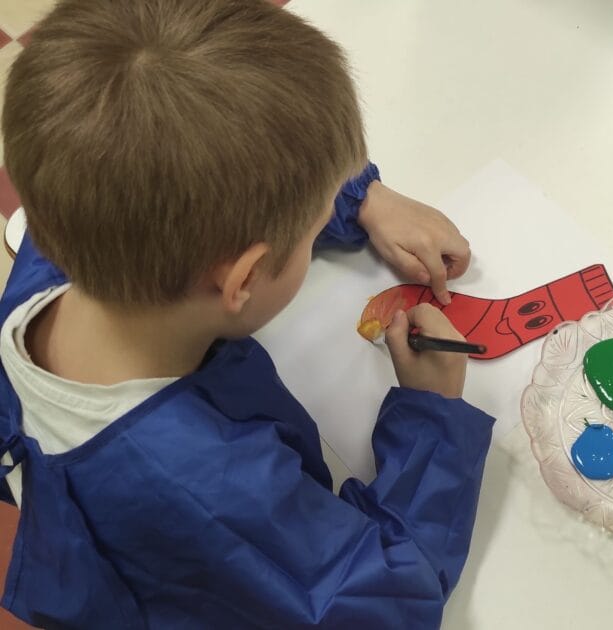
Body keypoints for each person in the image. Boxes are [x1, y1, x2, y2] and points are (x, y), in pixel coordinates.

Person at [0, 0, 494, 627]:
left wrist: (363, 199)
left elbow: (188, 185)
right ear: (243, 279)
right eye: (315, 226)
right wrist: (434, 419)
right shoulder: (213, 489)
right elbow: (387, 601)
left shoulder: (72, 234)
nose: (319, 229)